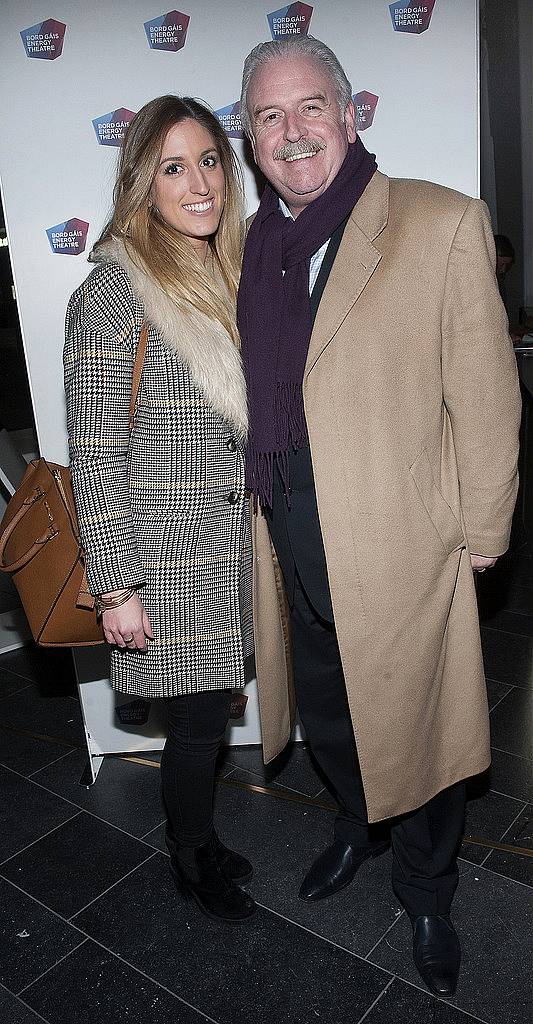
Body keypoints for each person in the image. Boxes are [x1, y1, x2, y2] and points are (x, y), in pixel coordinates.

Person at [237, 37, 521, 994]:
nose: (292, 131)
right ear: (250, 137)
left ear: (350, 112)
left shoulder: (438, 223)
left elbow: (485, 397)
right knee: (329, 714)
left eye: (309, 107)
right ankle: (354, 823)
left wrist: (484, 530)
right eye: (268, 116)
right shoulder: (247, 248)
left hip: (399, 540)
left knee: (425, 731)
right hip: (288, 536)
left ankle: (428, 891)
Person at [64, 95, 256, 922]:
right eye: (173, 167)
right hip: (163, 559)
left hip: (221, 545)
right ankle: (189, 855)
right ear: (143, 182)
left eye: (210, 159)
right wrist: (115, 587)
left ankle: (200, 840)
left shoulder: (217, 272)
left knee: (203, 720)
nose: (199, 182)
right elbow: (95, 452)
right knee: (197, 723)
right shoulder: (114, 291)